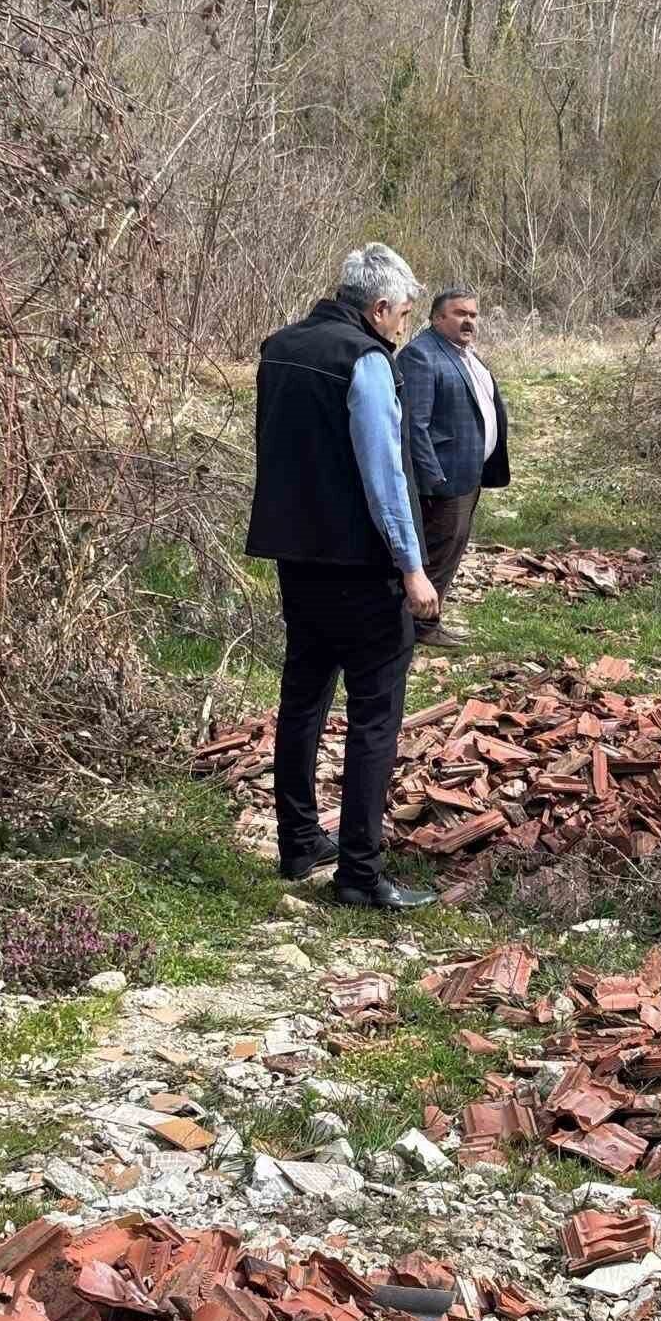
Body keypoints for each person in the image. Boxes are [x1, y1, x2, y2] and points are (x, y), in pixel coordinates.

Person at [245, 244, 440, 911]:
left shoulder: (280, 347)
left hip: (297, 559)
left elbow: (273, 446)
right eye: (403, 315)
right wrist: (413, 570)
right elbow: (384, 475)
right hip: (362, 570)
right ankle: (358, 872)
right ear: (378, 308)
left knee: (302, 699)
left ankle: (299, 840)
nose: (403, 328)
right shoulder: (364, 361)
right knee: (375, 717)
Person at [397, 288, 511, 648]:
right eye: (460, 313)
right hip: (444, 480)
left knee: (450, 551)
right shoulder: (421, 355)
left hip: (467, 475)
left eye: (474, 315)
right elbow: (414, 427)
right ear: (436, 318)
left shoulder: (464, 355)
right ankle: (407, 631)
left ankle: (427, 626)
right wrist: (434, 480)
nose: (469, 321)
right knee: (434, 555)